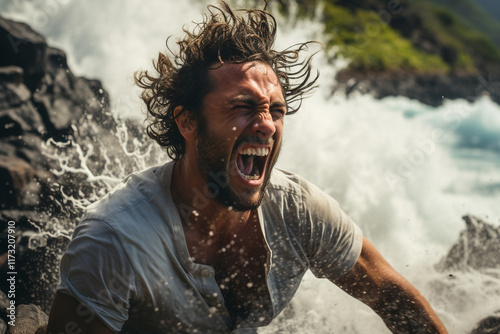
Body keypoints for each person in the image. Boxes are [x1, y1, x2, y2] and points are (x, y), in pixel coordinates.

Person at [47, 2, 448, 333]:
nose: (268, 125)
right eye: (243, 107)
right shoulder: (115, 240)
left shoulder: (299, 211)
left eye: (276, 110)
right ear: (187, 122)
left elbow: (393, 299)